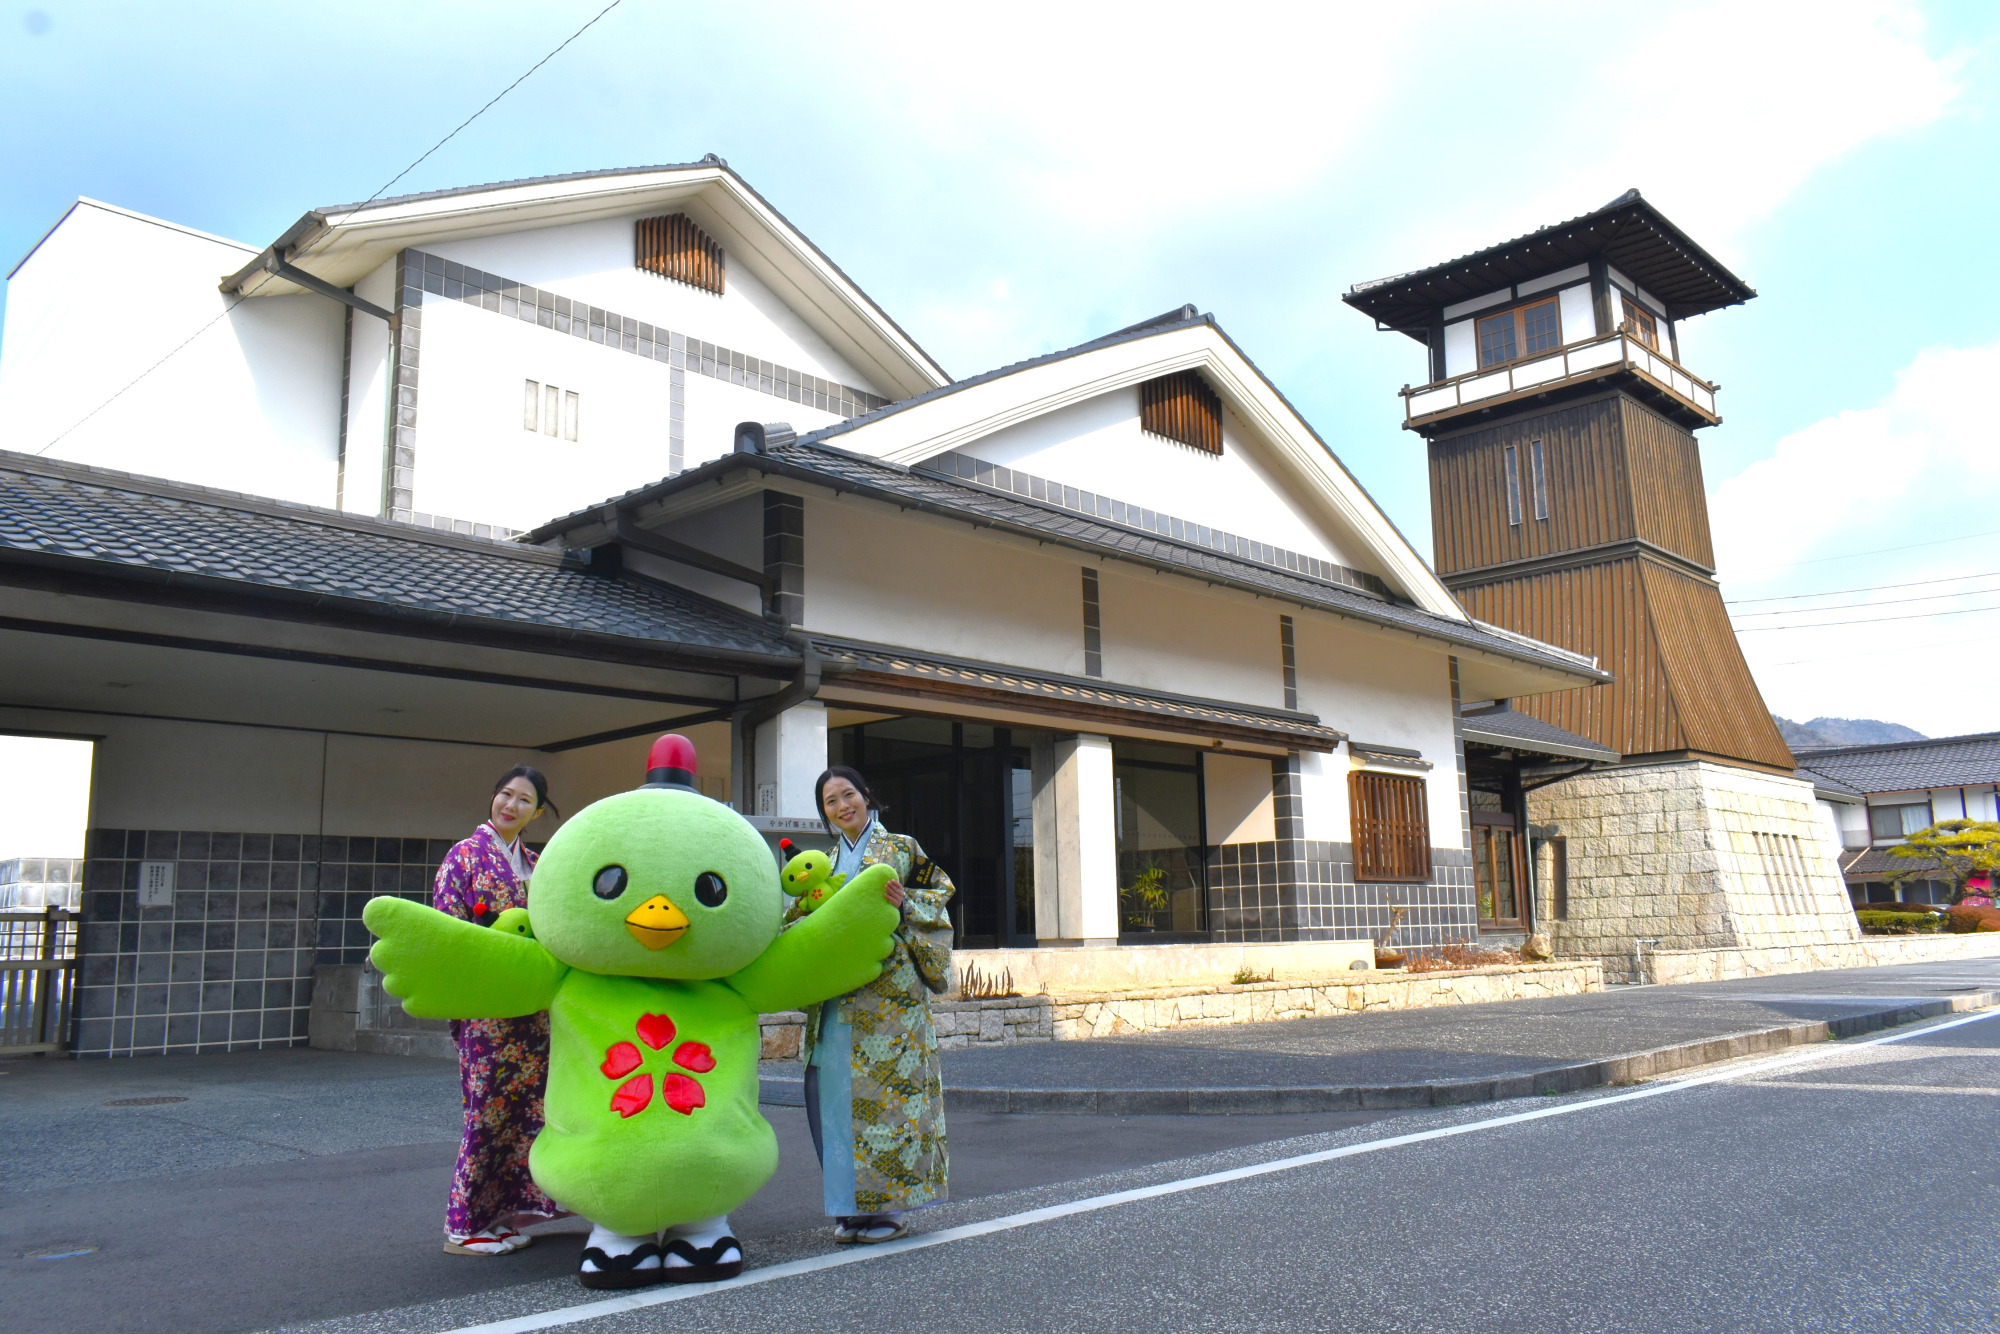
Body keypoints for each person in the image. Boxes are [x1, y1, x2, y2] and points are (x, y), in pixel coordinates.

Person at [796, 765, 955, 1244]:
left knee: (890, 1102)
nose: (843, 806)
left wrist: (905, 902)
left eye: (849, 795)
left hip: (890, 1006)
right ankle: (849, 1206)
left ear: (867, 795)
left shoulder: (903, 848)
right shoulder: (820, 866)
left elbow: (940, 894)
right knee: (837, 1100)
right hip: (836, 999)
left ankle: (888, 1208)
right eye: (831, 802)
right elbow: (800, 919)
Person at [432, 765, 564, 1255]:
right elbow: (450, 933)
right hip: (488, 1008)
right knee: (486, 1113)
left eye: (523, 800)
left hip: (531, 1012)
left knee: (524, 1112)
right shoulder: (464, 856)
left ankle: (498, 1215)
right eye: (505, 795)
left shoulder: (534, 861)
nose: (510, 805)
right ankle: (463, 1226)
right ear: (493, 797)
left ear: (537, 811)